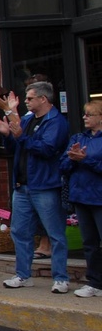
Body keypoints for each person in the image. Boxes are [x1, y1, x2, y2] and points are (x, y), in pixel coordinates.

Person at [0, 81, 70, 293]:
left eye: (29, 98)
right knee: (19, 232)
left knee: (55, 233)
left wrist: (19, 136)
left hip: (45, 185)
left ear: (43, 99)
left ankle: (61, 277)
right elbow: (14, 146)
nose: (25, 102)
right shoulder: (27, 120)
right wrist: (7, 134)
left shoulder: (56, 122)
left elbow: (47, 149)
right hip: (22, 186)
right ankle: (23, 275)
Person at [62, 100, 102, 298]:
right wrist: (71, 158)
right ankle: (95, 283)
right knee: (89, 243)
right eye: (84, 114)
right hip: (81, 196)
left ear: (100, 117)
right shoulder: (79, 138)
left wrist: (85, 160)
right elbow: (63, 166)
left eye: (90, 114)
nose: (85, 117)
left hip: (99, 197)